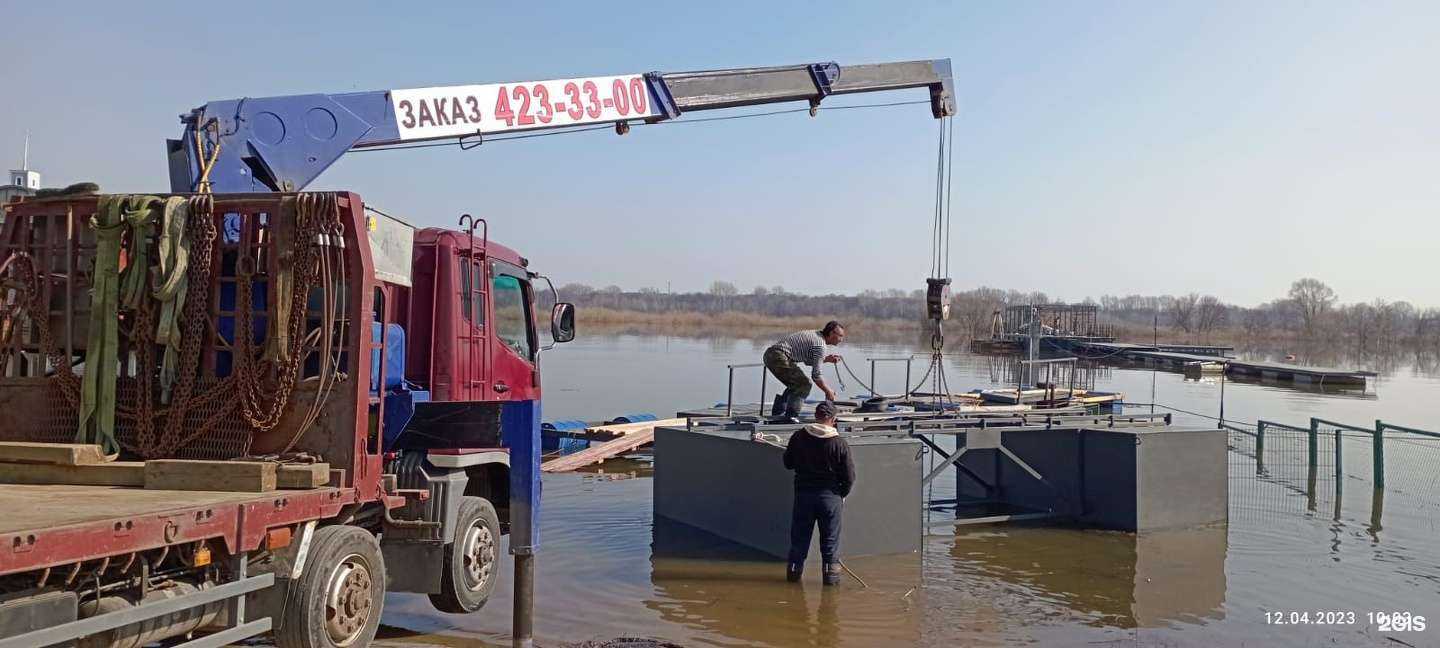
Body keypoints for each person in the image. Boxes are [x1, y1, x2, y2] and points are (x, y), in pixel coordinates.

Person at [781, 400, 855, 585]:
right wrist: (841, 494)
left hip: (804, 496)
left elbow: (788, 463)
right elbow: (849, 477)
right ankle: (830, 587)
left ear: (815, 416)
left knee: (799, 542)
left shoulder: (798, 436)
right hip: (830, 498)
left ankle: (792, 580)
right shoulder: (839, 443)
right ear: (833, 419)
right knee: (830, 544)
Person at [763, 321, 845, 422]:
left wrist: (826, 359)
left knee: (796, 384)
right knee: (804, 384)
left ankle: (778, 413)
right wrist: (828, 391)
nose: (841, 339)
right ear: (832, 333)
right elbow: (816, 375)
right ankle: (791, 417)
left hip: (772, 355)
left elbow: (807, 361)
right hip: (778, 356)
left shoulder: (817, 336)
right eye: (840, 336)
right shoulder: (820, 345)